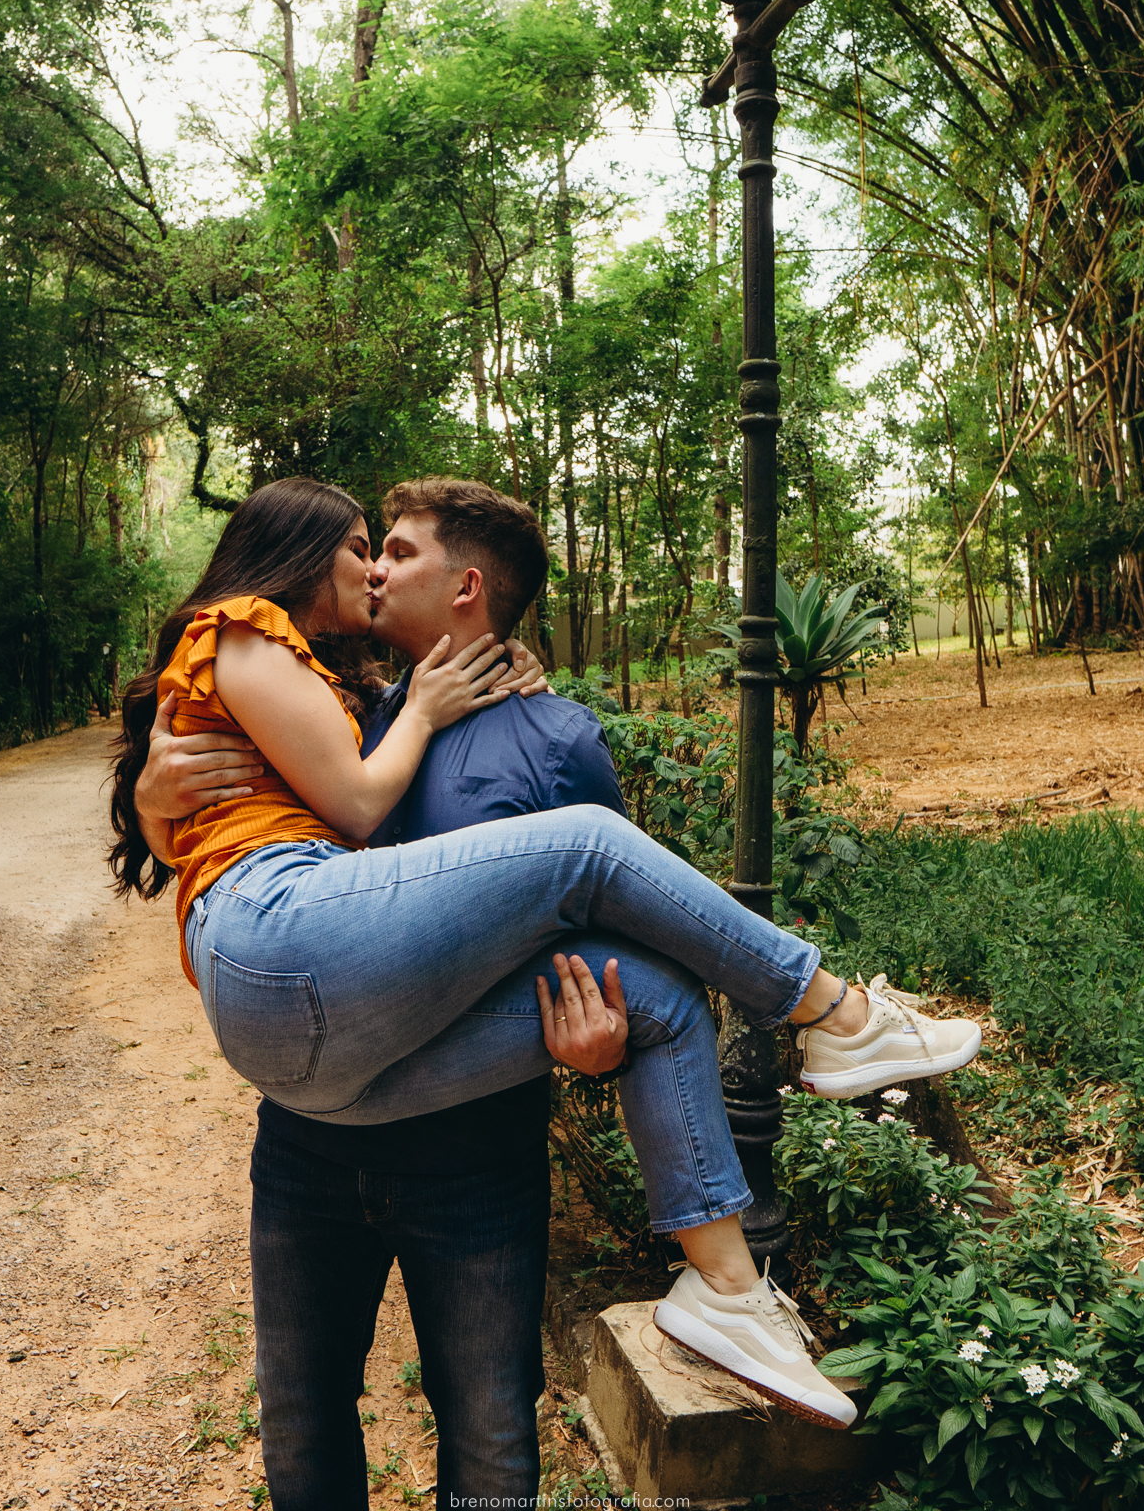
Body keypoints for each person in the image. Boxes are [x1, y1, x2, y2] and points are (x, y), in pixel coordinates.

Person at [115, 476, 982, 1511]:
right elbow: (251, 836)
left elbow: (615, 948)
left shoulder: (547, 730)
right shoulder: (347, 702)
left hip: (468, 1148)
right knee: (301, 1428)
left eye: (392, 552)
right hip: (311, 1131)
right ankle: (834, 1014)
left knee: (491, 1437)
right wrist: (148, 797)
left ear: (468, 588)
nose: (376, 569)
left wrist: (597, 1045)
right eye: (363, 551)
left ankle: (729, 1287)